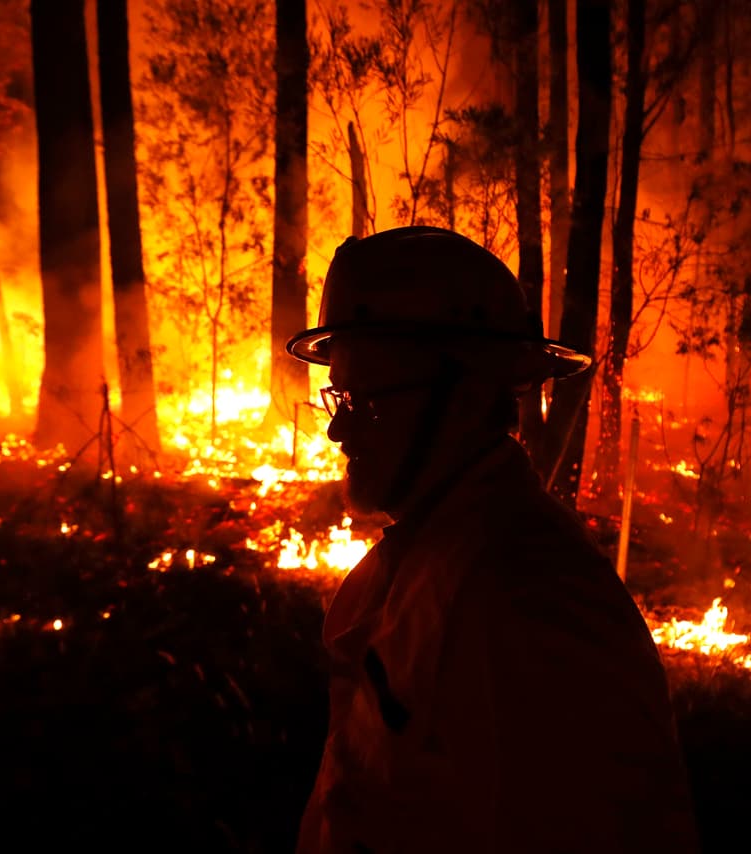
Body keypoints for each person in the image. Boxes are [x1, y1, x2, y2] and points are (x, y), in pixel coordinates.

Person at [286, 227, 699, 853]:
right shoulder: (430, 553)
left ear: (468, 395)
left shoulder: (531, 603)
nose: (338, 430)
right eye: (338, 396)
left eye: (365, 400)